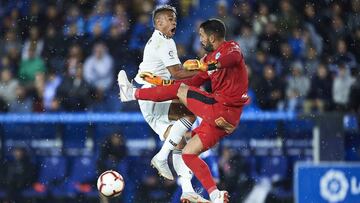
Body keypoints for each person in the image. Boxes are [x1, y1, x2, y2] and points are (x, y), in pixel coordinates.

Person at [118, 18, 248, 203]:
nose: (200, 40)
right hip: (225, 119)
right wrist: (160, 82)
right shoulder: (207, 60)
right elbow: (190, 83)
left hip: (221, 107)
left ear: (212, 38)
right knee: (188, 154)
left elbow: (231, 59)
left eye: (202, 36)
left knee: (182, 100)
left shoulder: (231, 48)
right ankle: (215, 195)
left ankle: (132, 94)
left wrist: (206, 66)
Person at [130, 5, 208, 203]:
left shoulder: (165, 40)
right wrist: (205, 70)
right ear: (158, 23)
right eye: (169, 19)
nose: (174, 21)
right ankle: (162, 157)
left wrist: (197, 69)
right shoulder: (162, 43)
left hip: (155, 92)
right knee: (190, 114)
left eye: (175, 18)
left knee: (180, 139)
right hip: (151, 94)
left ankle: (187, 189)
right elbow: (177, 74)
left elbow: (176, 73)